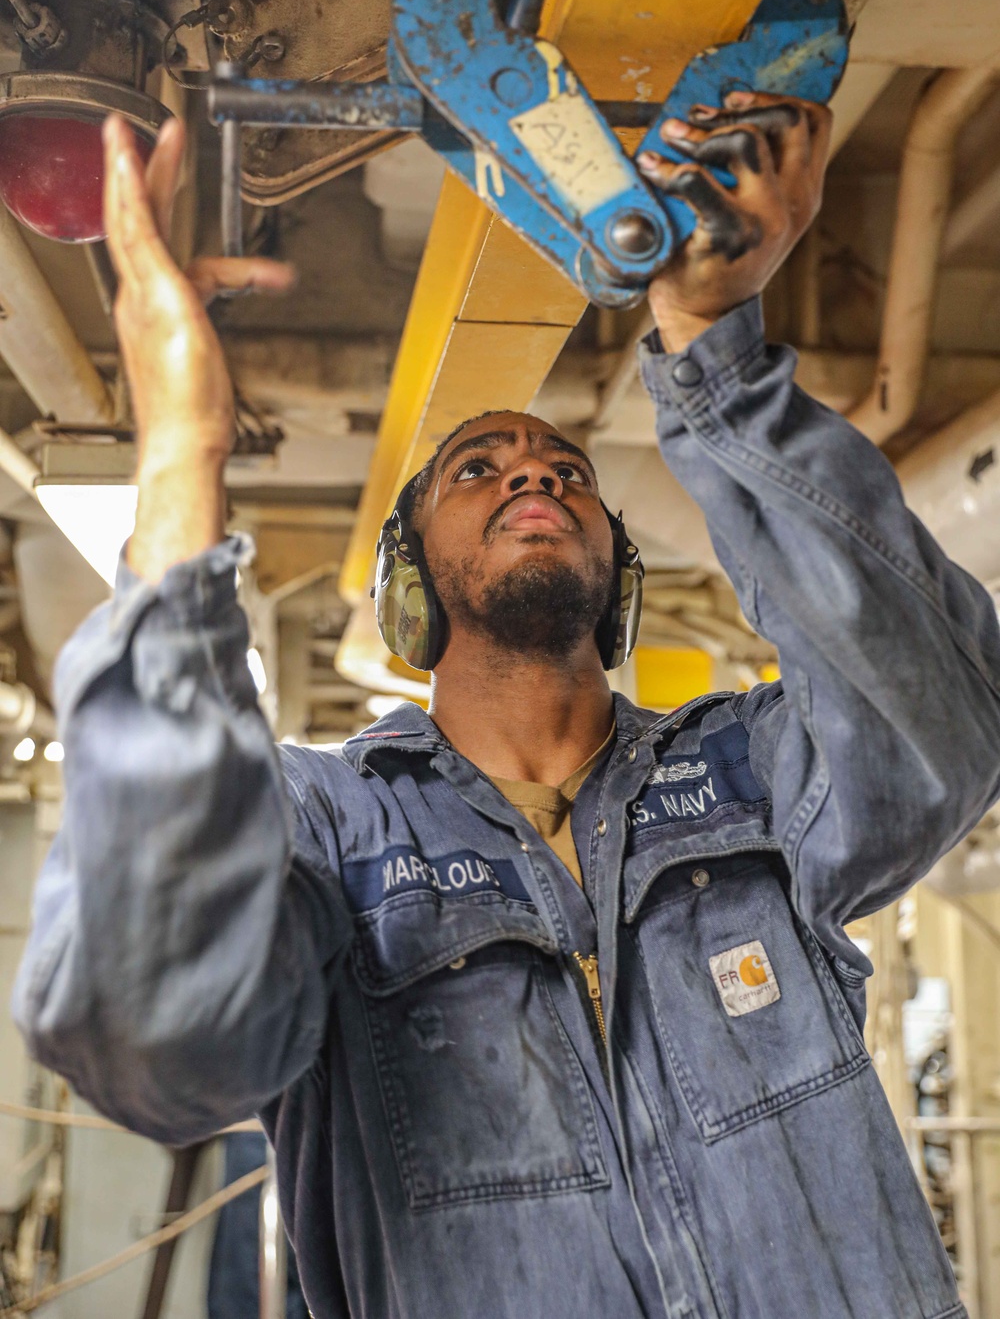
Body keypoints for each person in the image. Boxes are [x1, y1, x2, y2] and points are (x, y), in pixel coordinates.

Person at [13, 91, 1000, 1319]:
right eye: (477, 470)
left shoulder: (749, 773)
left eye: (564, 473)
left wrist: (717, 351)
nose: (533, 471)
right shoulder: (323, 828)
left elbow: (936, 730)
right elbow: (160, 1043)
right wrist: (180, 455)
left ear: (614, 571)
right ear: (411, 587)